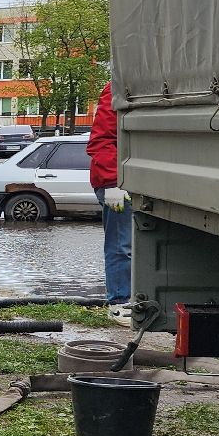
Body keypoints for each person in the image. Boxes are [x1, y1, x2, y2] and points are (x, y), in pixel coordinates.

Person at [88, 81, 132, 322]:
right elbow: (101, 140)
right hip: (116, 182)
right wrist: (112, 182)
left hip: (137, 180)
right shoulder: (116, 88)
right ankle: (120, 302)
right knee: (122, 244)